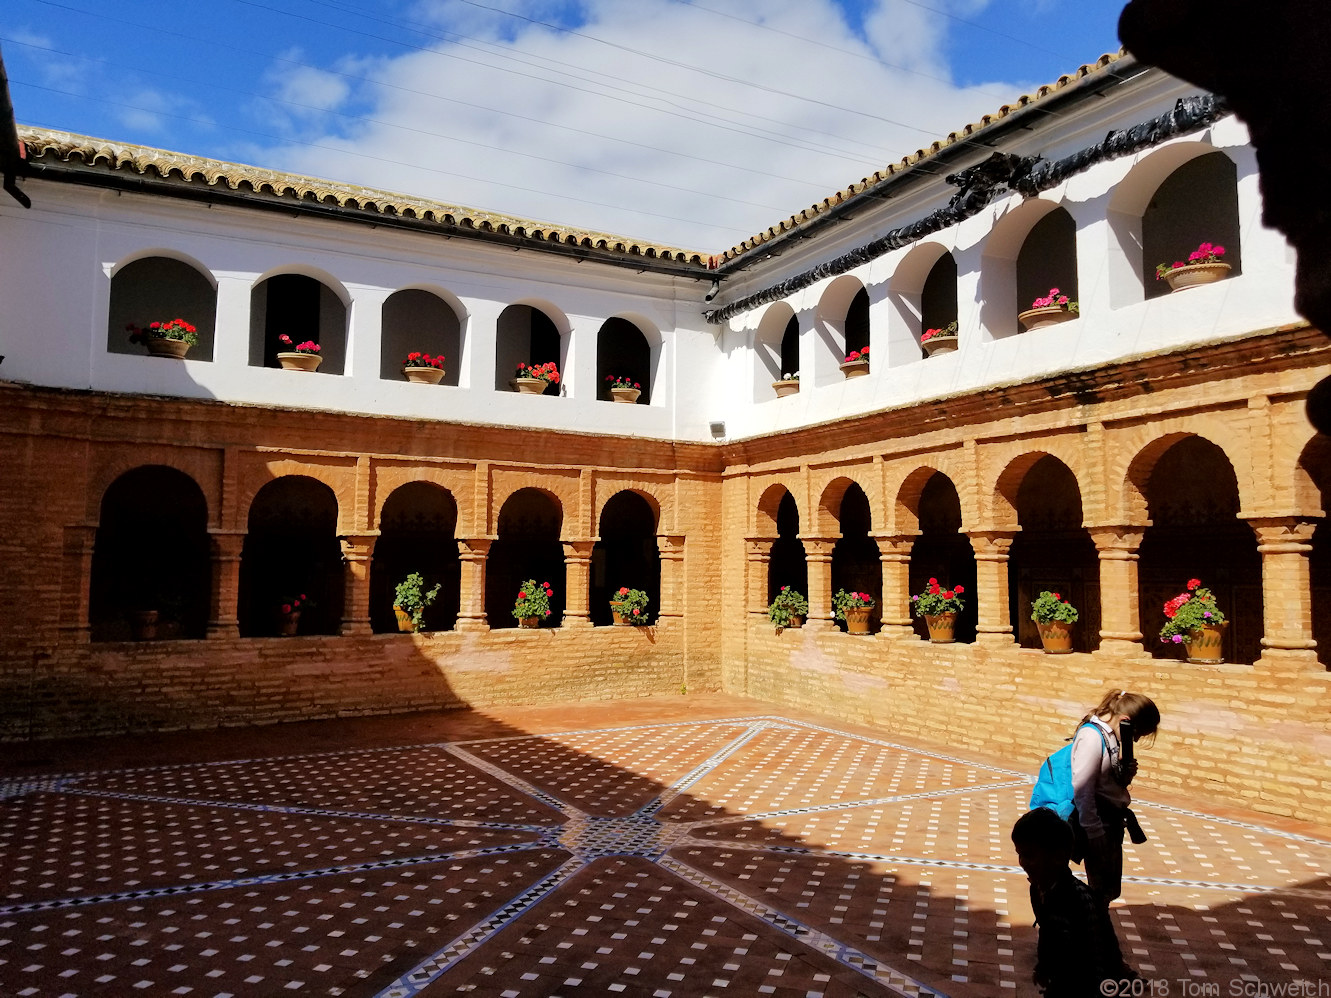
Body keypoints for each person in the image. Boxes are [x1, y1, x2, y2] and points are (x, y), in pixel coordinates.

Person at [1012, 807, 1129, 996]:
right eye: (1020, 854)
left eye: (1030, 855)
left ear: (1058, 857)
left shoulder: (1079, 900)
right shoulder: (1039, 889)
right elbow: (1048, 933)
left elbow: (1099, 954)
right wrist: (1045, 966)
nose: (1023, 863)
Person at [1071, 690, 1160, 905]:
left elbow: (1107, 783)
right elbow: (1083, 789)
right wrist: (1094, 833)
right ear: (1125, 721)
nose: (1136, 739)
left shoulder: (1111, 737)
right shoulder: (1092, 737)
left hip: (1109, 822)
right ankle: (1094, 932)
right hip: (1099, 824)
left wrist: (1124, 773)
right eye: (1136, 733)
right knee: (1100, 891)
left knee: (1108, 890)